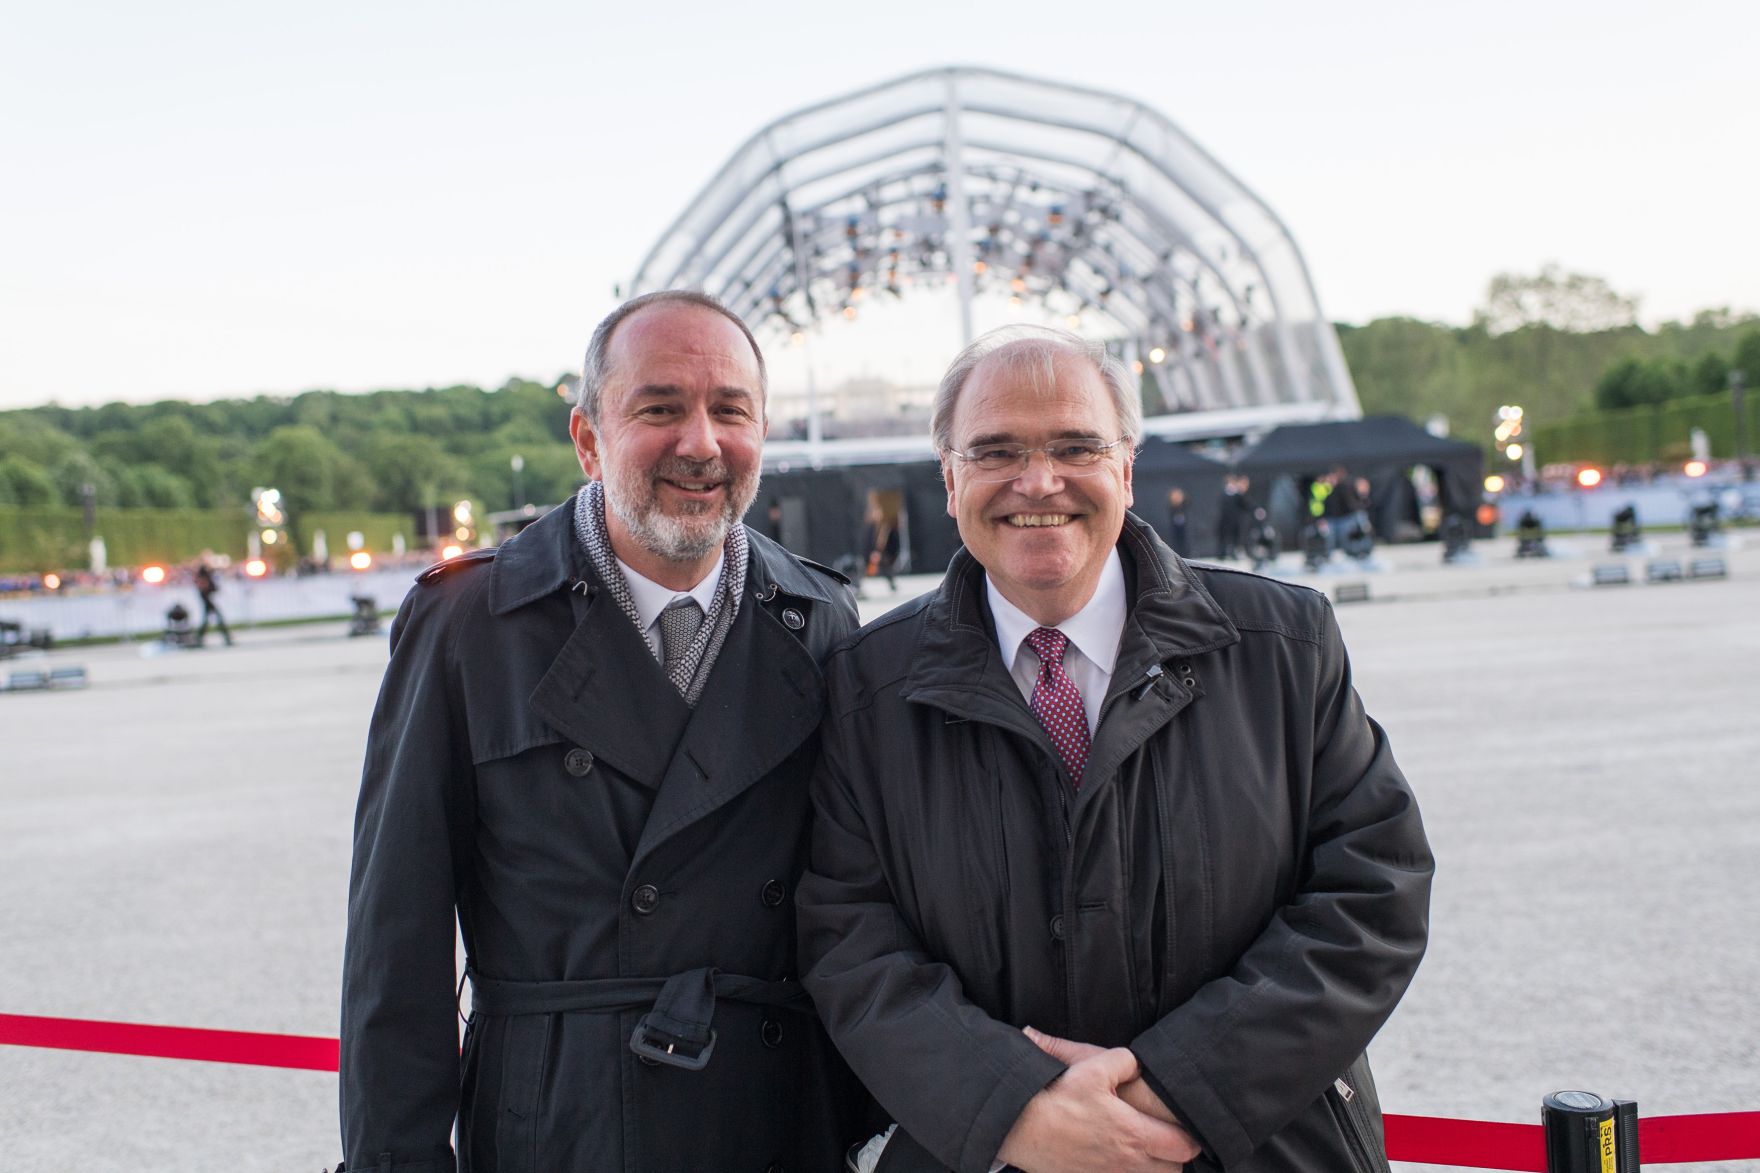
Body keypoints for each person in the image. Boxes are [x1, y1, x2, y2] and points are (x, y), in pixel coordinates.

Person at [798, 326, 1432, 1173]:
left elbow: (1373, 890)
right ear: (949, 480)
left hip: (1257, 1148)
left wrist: (1171, 1088)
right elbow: (849, 938)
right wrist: (1015, 1108)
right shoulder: (868, 687)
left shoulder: (1281, 645)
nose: (1039, 480)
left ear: (1126, 467)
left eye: (1075, 446)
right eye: (997, 452)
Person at [340, 291, 868, 1172]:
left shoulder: (821, 619)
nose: (700, 442)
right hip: (560, 1125)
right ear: (588, 439)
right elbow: (398, 939)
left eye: (729, 410)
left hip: (777, 1121)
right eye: (660, 408)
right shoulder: (470, 623)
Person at [193, 558, 232, 646]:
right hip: (207, 599)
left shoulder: (205, 573)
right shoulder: (203, 573)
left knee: (207, 620)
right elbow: (204, 585)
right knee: (216, 619)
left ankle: (199, 639)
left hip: (207, 598)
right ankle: (226, 638)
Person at [1163, 486, 1187, 554]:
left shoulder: (1185, 510)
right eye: (1175, 496)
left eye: (1178, 496)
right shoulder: (1169, 512)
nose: (1177, 498)